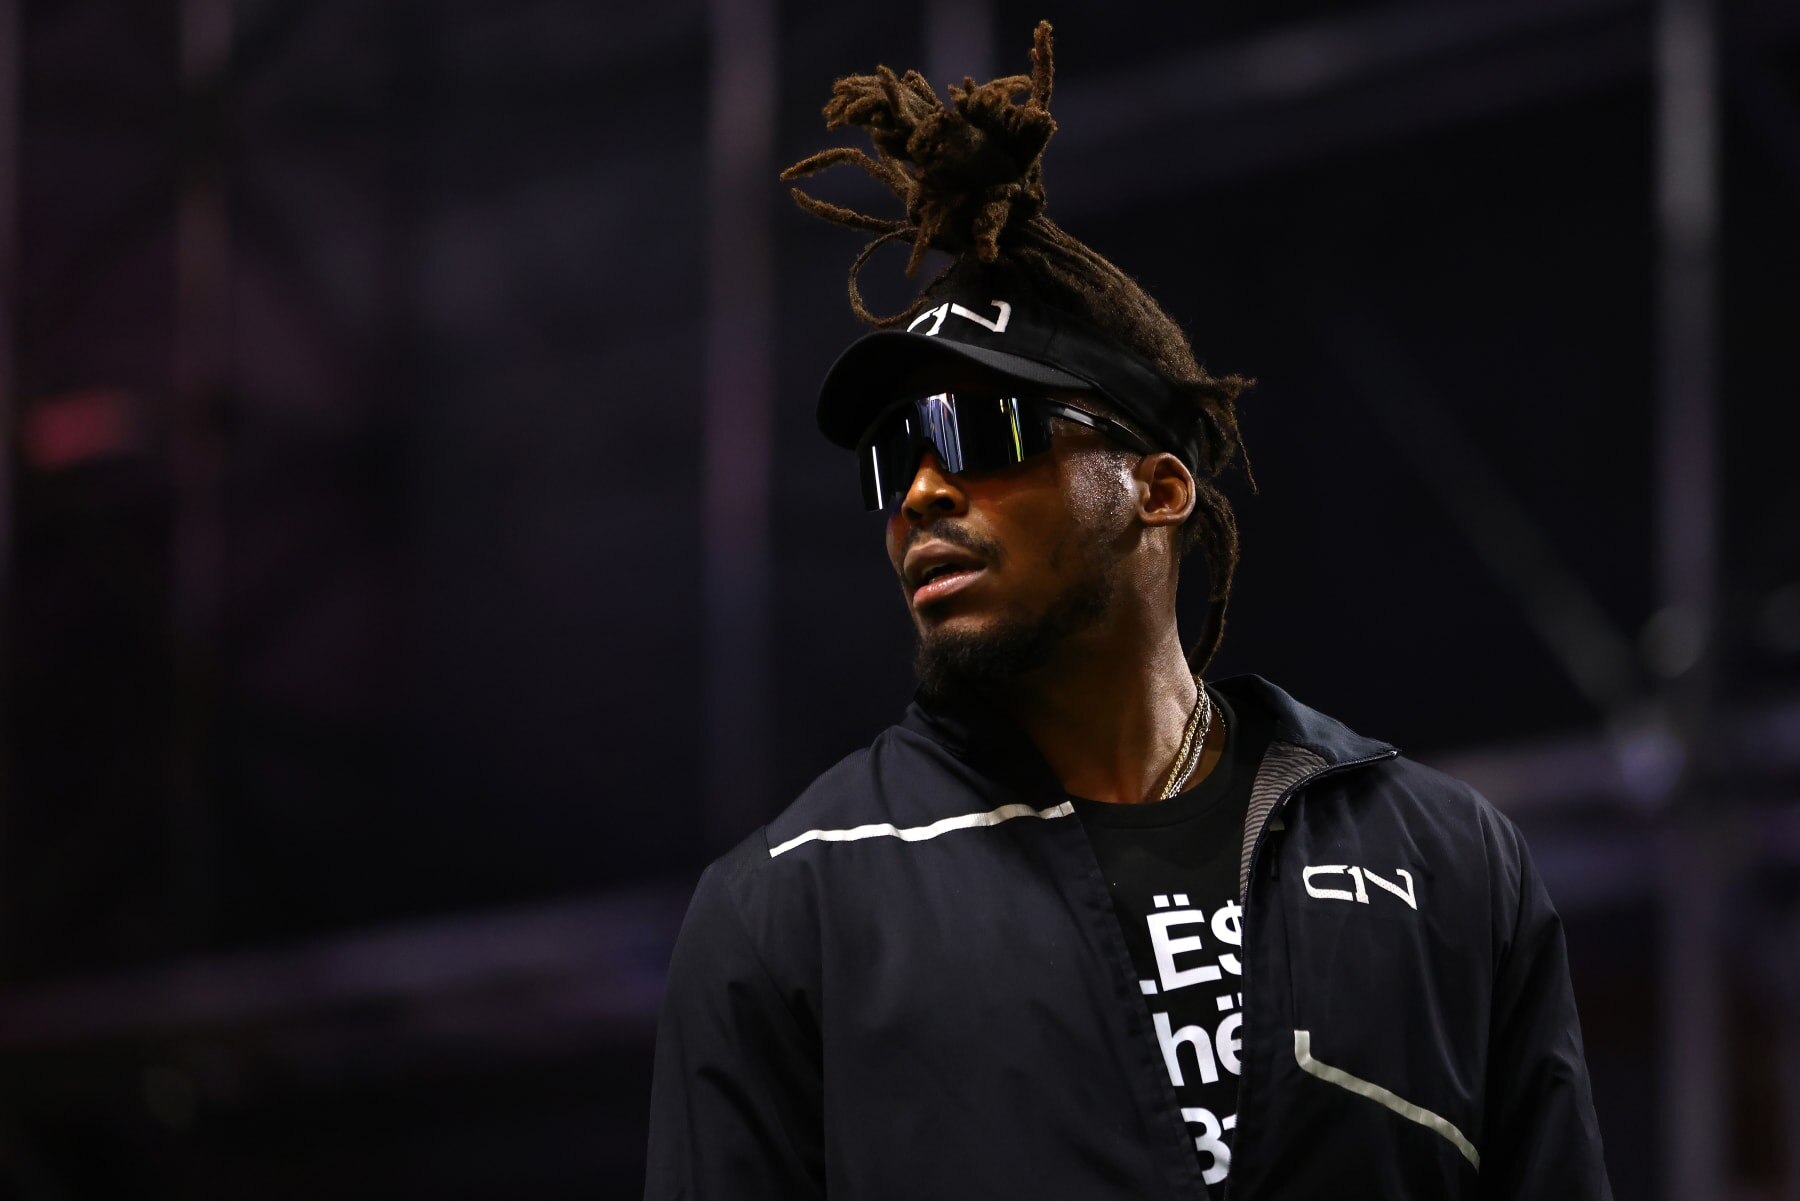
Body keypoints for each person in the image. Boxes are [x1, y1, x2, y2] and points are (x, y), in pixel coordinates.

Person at [645, 21, 1611, 1200]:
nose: (922, 489)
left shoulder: (1447, 861)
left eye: (981, 433)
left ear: (1156, 488)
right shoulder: (790, 905)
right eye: (893, 456)